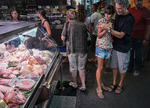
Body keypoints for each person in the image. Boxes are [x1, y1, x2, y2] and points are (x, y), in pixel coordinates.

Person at [101, 0, 135, 94]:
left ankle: (120, 84)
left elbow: (120, 35)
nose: (118, 10)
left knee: (122, 68)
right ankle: (114, 82)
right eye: (116, 8)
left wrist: (108, 29)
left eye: (120, 9)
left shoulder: (130, 19)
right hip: (115, 46)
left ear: (126, 7)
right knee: (114, 66)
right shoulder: (118, 15)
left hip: (124, 48)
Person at [61, 9, 88, 91]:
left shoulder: (67, 24)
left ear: (68, 17)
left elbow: (63, 38)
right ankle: (83, 85)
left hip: (72, 49)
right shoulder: (82, 25)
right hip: (82, 49)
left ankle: (75, 83)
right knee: (81, 68)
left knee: (73, 68)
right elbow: (86, 36)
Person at [96, 5, 115, 99]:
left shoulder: (112, 22)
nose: (107, 16)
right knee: (100, 68)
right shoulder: (101, 21)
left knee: (103, 68)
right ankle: (99, 88)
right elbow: (99, 35)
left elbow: (111, 36)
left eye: (109, 14)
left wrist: (111, 46)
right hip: (100, 47)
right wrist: (106, 28)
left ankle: (101, 83)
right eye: (106, 13)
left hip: (108, 48)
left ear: (112, 14)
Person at [128, 0, 150, 76]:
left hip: (140, 38)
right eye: (137, 1)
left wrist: (146, 38)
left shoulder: (146, 11)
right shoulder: (131, 10)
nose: (139, 2)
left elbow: (148, 26)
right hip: (131, 36)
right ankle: (130, 67)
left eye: (140, 1)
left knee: (138, 54)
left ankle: (137, 69)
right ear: (134, 1)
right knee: (130, 53)